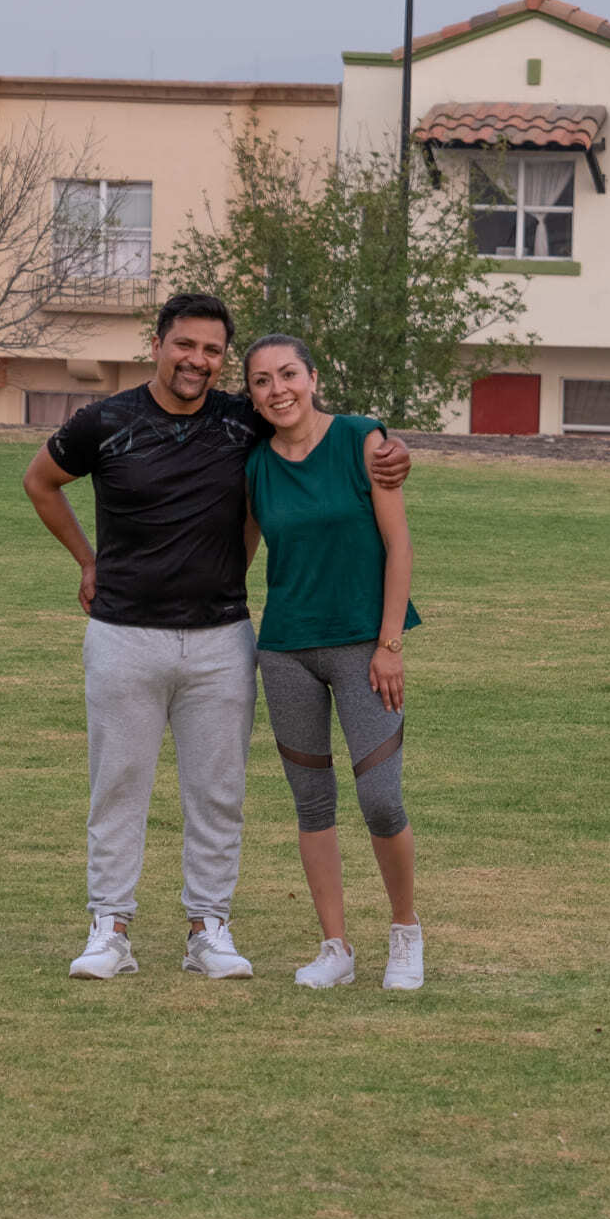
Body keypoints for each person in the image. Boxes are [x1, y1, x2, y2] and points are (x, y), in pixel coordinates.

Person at [23, 294, 409, 981]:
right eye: (185, 345)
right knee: (117, 786)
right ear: (157, 345)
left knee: (218, 792)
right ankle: (110, 929)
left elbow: (314, 430)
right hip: (123, 634)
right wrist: (86, 561)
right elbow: (40, 481)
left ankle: (209, 930)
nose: (197, 360)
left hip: (221, 638)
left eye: (211, 350)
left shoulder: (242, 419)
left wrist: (393, 451)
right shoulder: (104, 420)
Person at [241, 334, 424, 991]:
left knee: (381, 799)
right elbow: (234, 559)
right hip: (285, 650)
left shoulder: (361, 440)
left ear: (313, 378)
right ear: (252, 396)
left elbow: (399, 543)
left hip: (361, 647)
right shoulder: (254, 465)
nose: (278, 390)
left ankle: (405, 930)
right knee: (312, 803)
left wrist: (389, 643)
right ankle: (335, 948)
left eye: (288, 374)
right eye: (262, 381)